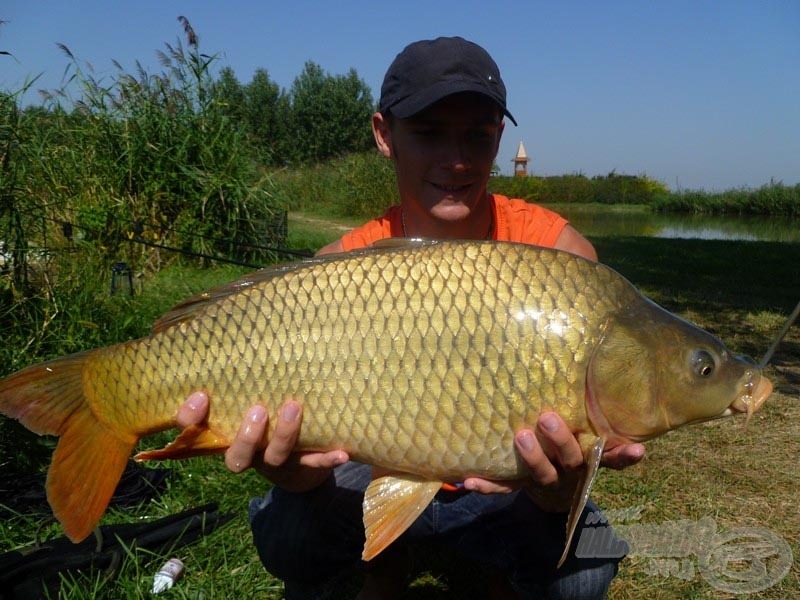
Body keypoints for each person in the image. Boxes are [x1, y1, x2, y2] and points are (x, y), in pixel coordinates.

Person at [177, 36, 645, 599]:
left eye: (477, 134)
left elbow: (568, 458)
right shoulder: (338, 269)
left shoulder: (561, 258)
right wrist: (289, 470)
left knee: (584, 574)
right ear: (384, 135)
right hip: (372, 470)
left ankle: (490, 566)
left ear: (500, 137)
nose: (457, 159)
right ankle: (386, 561)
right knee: (290, 538)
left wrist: (555, 489)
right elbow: (310, 467)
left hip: (505, 482)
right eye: (428, 133)